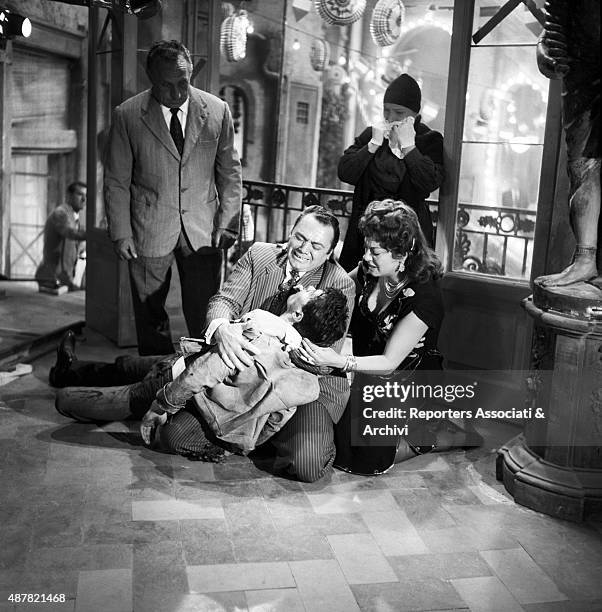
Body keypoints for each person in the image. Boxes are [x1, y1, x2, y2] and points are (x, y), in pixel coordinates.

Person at [160, 205, 355, 481]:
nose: (303, 248)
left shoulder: (339, 284)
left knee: (307, 464)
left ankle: (259, 437)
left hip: (303, 388)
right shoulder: (259, 254)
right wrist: (223, 330)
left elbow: (322, 359)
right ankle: (247, 437)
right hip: (240, 378)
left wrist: (280, 334)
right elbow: (223, 301)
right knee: (173, 434)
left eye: (315, 245)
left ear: (329, 253)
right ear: (291, 232)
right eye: (299, 237)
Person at [51, 286, 348, 459]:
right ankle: (68, 370)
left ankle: (65, 392)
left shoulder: (261, 327)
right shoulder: (301, 367)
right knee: (128, 365)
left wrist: (162, 404)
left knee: (115, 394)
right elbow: (272, 423)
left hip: (181, 377)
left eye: (312, 292)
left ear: (298, 315)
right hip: (182, 364)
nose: (307, 287)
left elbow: (205, 371)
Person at [298, 199, 481, 476]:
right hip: (367, 380)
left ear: (402, 253)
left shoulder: (425, 297)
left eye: (376, 252)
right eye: (366, 247)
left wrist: (338, 360)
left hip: (406, 384)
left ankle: (451, 433)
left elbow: (389, 362)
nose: (367, 257)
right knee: (342, 451)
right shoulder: (368, 271)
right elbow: (337, 290)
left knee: (367, 461)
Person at [104, 40, 242, 355]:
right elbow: (116, 180)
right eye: (167, 85)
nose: (177, 93)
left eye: (183, 82)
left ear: (190, 73)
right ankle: (155, 380)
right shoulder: (127, 115)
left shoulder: (217, 110)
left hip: (203, 230)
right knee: (150, 314)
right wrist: (121, 232)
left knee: (206, 313)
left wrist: (229, 222)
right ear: (150, 77)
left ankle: (203, 377)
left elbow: (230, 173)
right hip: (147, 227)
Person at [338, 74, 444, 271]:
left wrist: (410, 147)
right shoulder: (371, 135)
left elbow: (428, 183)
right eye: (386, 110)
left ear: (414, 114)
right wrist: (372, 145)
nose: (390, 118)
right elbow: (345, 172)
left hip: (405, 237)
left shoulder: (429, 140)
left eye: (399, 112)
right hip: (366, 234)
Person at [535, 0, 600, 287]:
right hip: (581, 65)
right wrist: (546, 48)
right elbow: (554, 23)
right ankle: (585, 259)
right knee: (581, 165)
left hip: (583, 57)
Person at [35, 182, 87, 292]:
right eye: (80, 194)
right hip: (52, 279)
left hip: (64, 279)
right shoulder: (61, 213)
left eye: (86, 196)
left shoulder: (74, 217)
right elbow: (70, 233)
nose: (84, 199)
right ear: (69, 195)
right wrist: (92, 234)